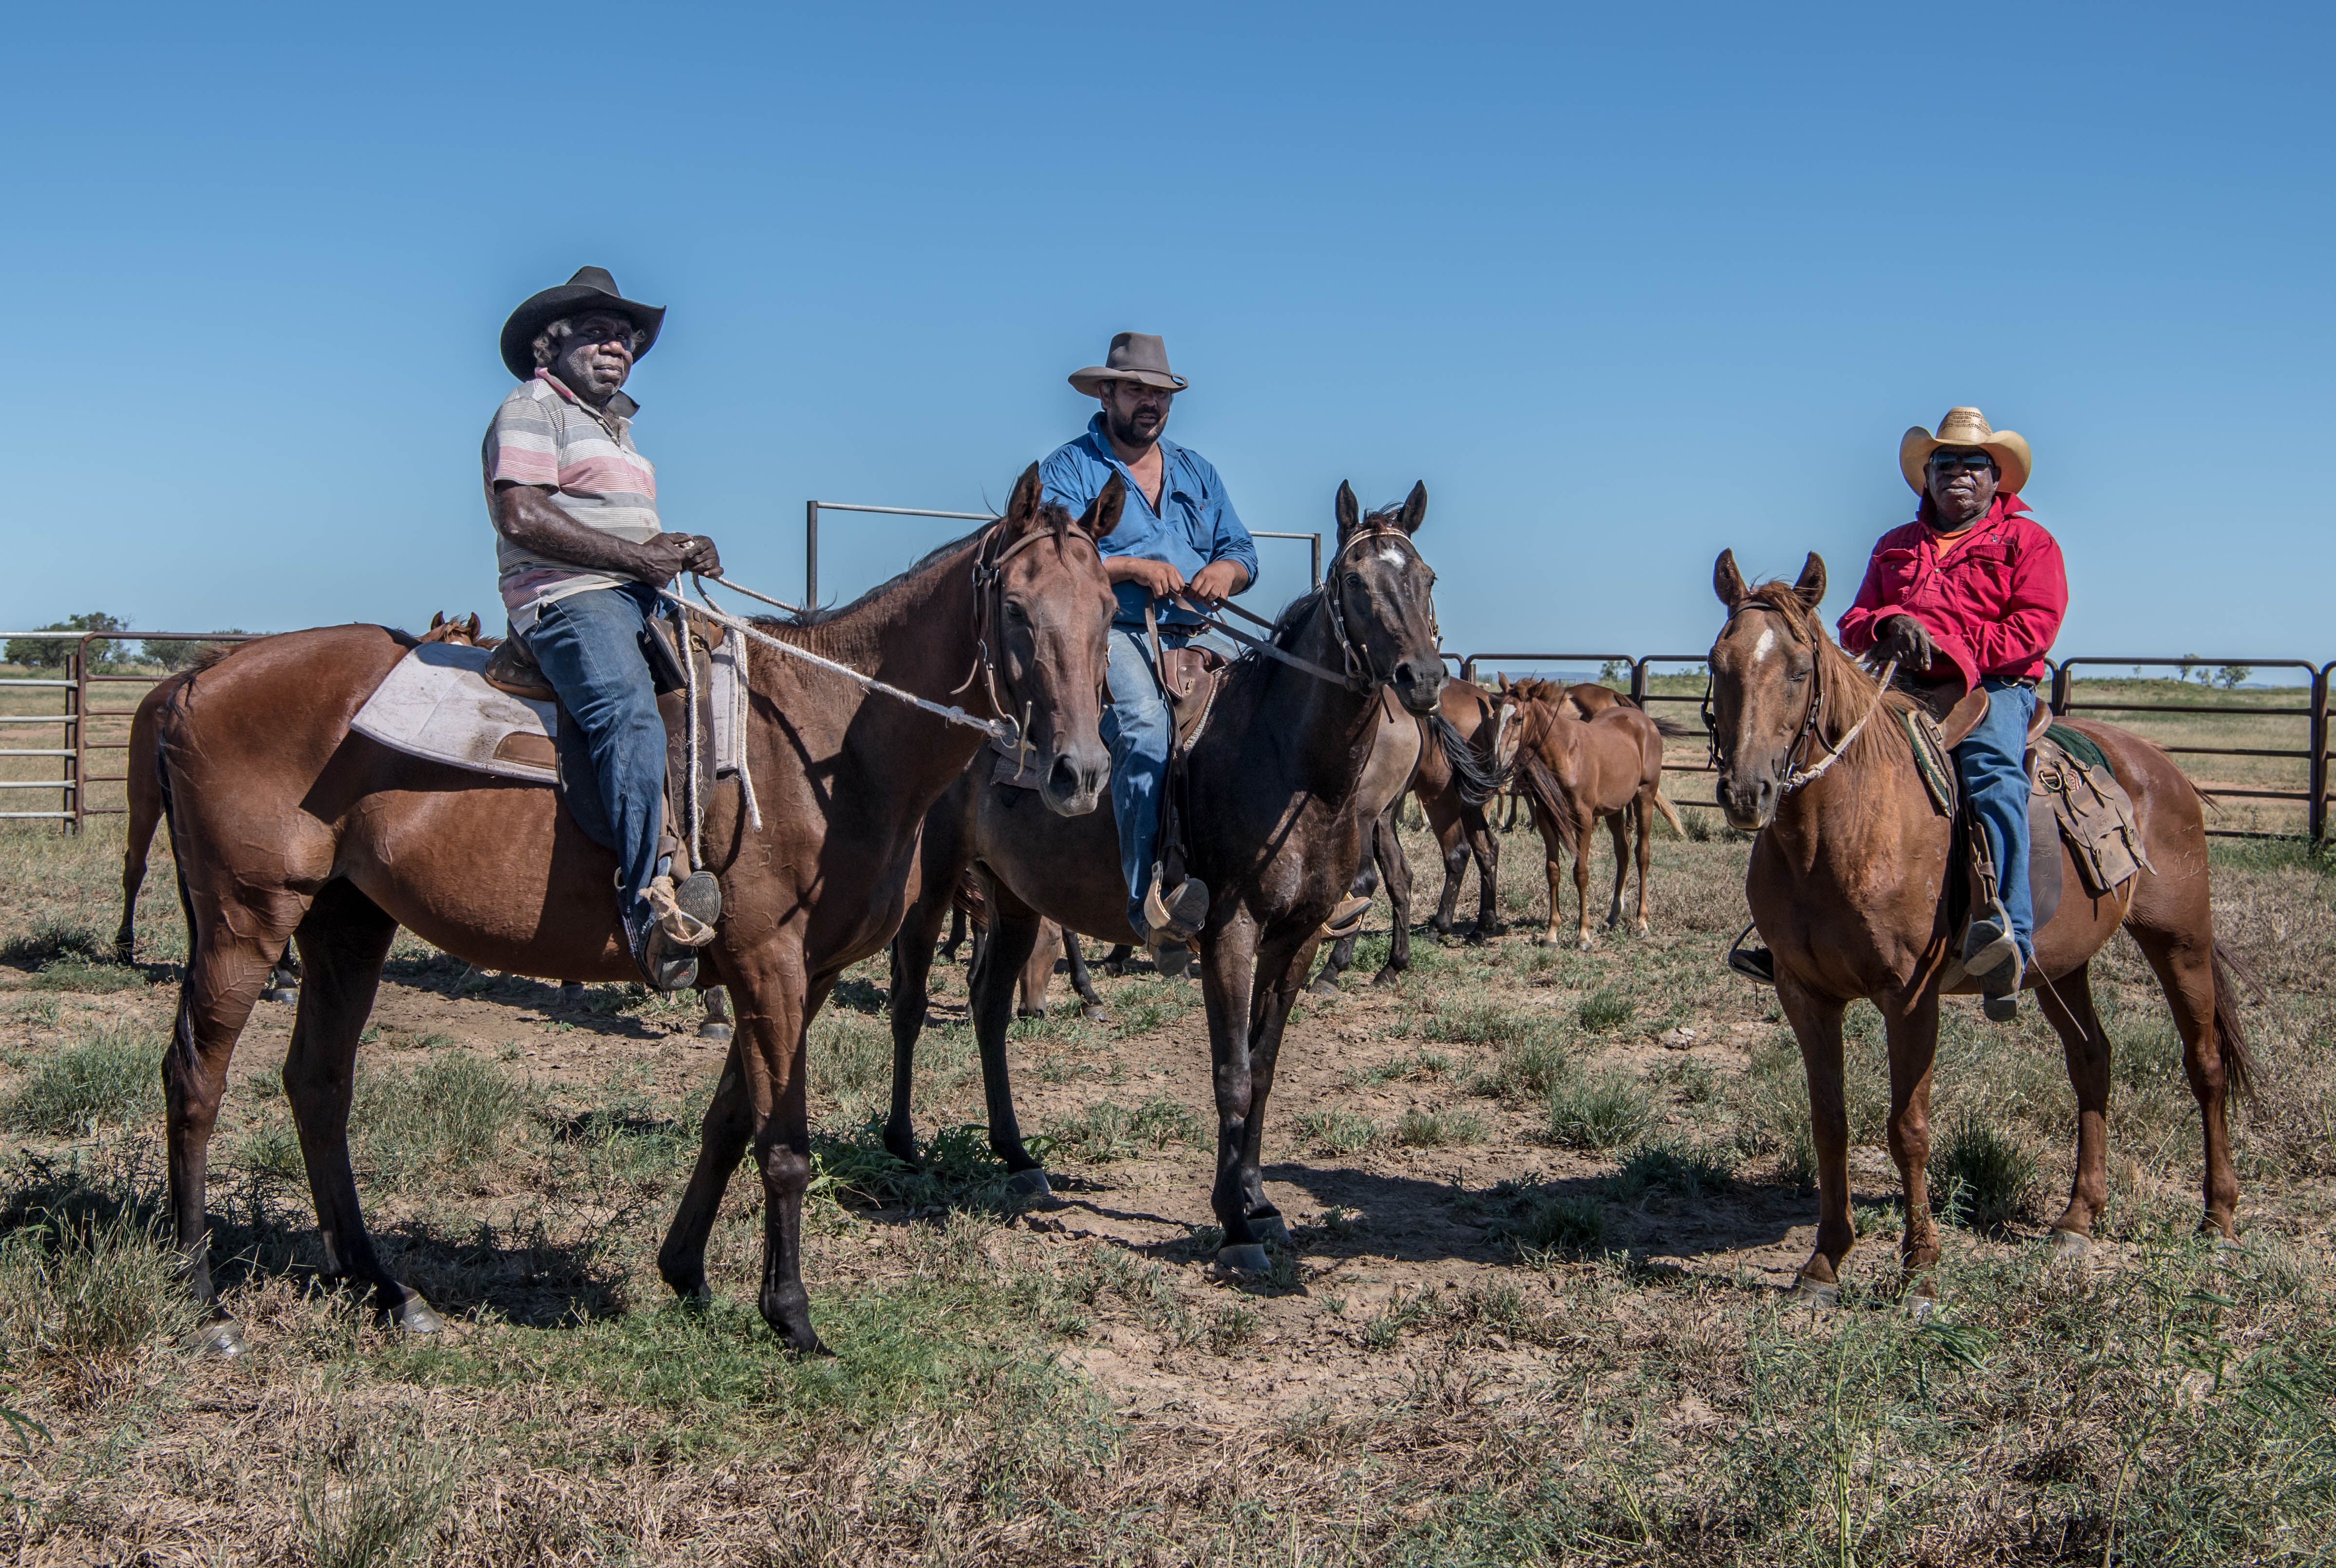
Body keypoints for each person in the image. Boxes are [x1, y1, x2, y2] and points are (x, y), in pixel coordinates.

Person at [483, 266, 724, 989]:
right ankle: (647, 902)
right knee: (627, 712)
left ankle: (709, 854)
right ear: (546, 350)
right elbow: (521, 515)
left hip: (631, 590)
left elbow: (621, 529)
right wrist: (637, 560)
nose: (617, 345)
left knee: (734, 690)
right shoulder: (531, 409)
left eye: (624, 337)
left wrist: (678, 545)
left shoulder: (618, 432)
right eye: (596, 333)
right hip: (566, 596)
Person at [1838, 407, 2069, 1004]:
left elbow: (2034, 629)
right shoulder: (1895, 545)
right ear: (1926, 476)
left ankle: (2009, 938)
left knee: (1991, 773)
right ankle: (1794, 923)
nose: (1956, 474)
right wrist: (1890, 621)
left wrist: (1948, 647)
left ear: (1997, 479)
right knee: (1823, 764)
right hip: (1898, 685)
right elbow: (1853, 622)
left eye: (1974, 464)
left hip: (1993, 685)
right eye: (1944, 463)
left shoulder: (2028, 541)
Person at [1039, 333, 1259, 955]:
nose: (1150, 403)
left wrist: (1225, 573)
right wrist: (1132, 567)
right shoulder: (1069, 468)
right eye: (1136, 389)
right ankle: (1147, 908)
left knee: (1273, 719)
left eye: (1160, 393)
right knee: (1142, 727)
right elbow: (1050, 560)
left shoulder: (1197, 471)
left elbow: (1241, 551)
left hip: (1197, 631)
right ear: (1105, 392)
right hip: (1112, 631)